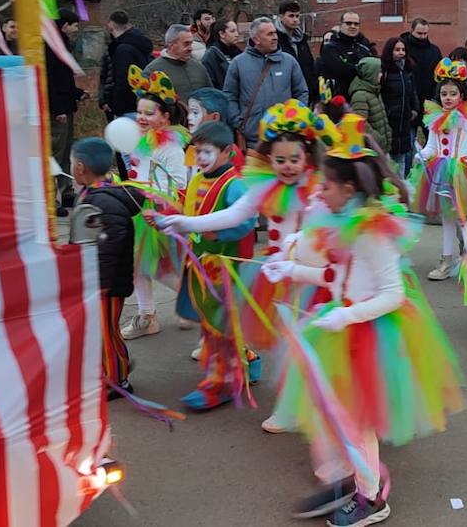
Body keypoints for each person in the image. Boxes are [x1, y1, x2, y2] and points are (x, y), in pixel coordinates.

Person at [259, 115, 463, 527]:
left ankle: (371, 498)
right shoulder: (343, 224)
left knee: (357, 421)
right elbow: (338, 277)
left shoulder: (372, 231)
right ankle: (354, 480)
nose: (320, 191)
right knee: (338, 415)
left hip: (369, 333)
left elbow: (393, 294)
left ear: (348, 189)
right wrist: (293, 272)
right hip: (344, 325)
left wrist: (345, 315)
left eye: (327, 185)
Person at [157, 99, 328, 431]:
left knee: (314, 347)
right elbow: (234, 215)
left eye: (295, 159)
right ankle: (290, 408)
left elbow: (325, 233)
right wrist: (184, 223)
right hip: (276, 277)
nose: (287, 166)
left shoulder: (318, 190)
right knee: (284, 346)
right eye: (280, 160)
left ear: (307, 156)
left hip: (311, 279)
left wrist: (297, 249)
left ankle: (326, 404)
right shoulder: (265, 186)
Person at [166, 121, 260, 411]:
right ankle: (249, 361)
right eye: (197, 152)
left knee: (220, 325)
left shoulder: (235, 185)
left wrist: (213, 233)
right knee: (213, 322)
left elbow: (246, 221)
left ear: (227, 152)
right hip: (199, 264)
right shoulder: (197, 179)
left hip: (224, 267)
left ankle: (220, 383)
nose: (201, 158)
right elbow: (189, 210)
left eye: (207, 152)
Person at [118, 65, 190, 340]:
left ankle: (196, 302)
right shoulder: (141, 142)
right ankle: (147, 316)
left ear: (165, 117)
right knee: (138, 267)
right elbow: (138, 172)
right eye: (140, 112)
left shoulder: (170, 146)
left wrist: (152, 196)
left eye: (150, 113)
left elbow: (179, 183)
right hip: (138, 210)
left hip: (157, 213)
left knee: (160, 270)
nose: (142, 117)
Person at [70, 137, 145, 398]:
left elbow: (108, 247)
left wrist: (98, 284)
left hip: (106, 284)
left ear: (80, 167)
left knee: (105, 331)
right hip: (101, 280)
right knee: (105, 330)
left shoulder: (104, 202)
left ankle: (116, 380)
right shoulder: (96, 195)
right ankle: (115, 369)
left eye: (71, 163)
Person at [413, 59, 467, 281]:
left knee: (465, 218)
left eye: (452, 93)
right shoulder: (434, 119)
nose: (447, 98)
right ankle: (447, 260)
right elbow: (430, 147)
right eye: (444, 94)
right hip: (441, 175)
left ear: (461, 95)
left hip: (463, 173)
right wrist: (423, 156)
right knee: (448, 218)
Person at [224, 16, 310, 148]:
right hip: (253, 140)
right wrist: (239, 123)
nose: (275, 37)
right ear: (256, 39)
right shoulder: (238, 64)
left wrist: (295, 119)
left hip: (285, 137)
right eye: (270, 34)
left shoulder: (289, 61)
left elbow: (301, 92)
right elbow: (230, 95)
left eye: (275, 33)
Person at [45, 9, 84, 214]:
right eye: (74, 25)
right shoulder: (50, 45)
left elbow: (64, 78)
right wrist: (57, 107)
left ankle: (67, 192)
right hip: (57, 110)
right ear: (65, 25)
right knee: (55, 152)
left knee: (66, 151)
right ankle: (52, 199)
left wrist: (76, 93)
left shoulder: (61, 44)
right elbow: (50, 79)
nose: (76, 30)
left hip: (66, 106)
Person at [99, 10, 154, 121]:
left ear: (110, 24)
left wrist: (116, 106)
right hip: (142, 102)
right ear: (128, 24)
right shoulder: (140, 44)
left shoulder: (122, 50)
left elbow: (121, 80)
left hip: (126, 107)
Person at [380, 36, 420, 175]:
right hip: (389, 122)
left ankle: (400, 187)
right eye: (397, 49)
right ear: (390, 51)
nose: (401, 53)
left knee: (402, 159)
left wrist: (414, 109)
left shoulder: (407, 71)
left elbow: (413, 92)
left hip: (405, 122)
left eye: (403, 50)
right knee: (387, 160)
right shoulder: (384, 71)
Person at [144, 24, 212, 105]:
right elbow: (145, 104)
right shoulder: (152, 71)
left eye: (191, 44)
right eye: (186, 44)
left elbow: (211, 95)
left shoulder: (198, 66)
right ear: (171, 45)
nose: (191, 48)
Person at [319, 12, 376, 100]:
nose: (353, 26)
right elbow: (341, 70)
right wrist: (360, 70)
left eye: (356, 24)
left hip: (362, 99)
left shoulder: (363, 49)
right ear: (341, 25)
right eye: (348, 23)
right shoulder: (330, 48)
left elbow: (373, 71)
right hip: (338, 101)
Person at [277, 0, 320, 101]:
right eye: (291, 16)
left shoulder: (302, 40)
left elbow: (310, 67)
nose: (295, 20)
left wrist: (313, 91)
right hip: (284, 95)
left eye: (297, 16)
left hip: (304, 94)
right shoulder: (275, 39)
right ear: (281, 17)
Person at [348, 56, 392, 152]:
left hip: (380, 148)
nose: (381, 75)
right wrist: (378, 139)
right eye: (379, 72)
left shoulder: (374, 91)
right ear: (370, 73)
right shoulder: (360, 96)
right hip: (372, 150)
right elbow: (360, 124)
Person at [401, 18, 443, 110]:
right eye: (419, 33)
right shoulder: (402, 48)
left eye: (425, 33)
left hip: (430, 101)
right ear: (412, 31)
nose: (423, 37)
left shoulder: (434, 51)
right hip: (408, 99)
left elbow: (440, 75)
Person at [202, 18, 244, 89]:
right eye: (232, 31)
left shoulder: (237, 52)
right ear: (222, 34)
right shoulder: (211, 56)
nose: (237, 34)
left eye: (237, 31)